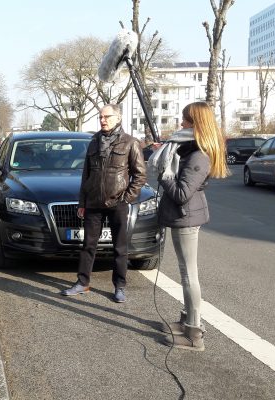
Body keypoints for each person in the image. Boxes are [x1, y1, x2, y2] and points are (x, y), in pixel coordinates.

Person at [149, 101, 229, 351]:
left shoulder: (199, 155)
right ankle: (187, 321)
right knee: (186, 272)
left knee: (188, 275)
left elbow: (182, 193)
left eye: (185, 120)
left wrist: (164, 174)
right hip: (182, 216)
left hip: (186, 216)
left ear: (196, 123)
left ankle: (194, 334)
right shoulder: (190, 150)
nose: (181, 123)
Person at [60, 104, 146, 303]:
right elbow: (86, 175)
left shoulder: (130, 143)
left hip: (118, 203)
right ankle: (82, 283)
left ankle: (120, 286)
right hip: (93, 203)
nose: (103, 120)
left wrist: (126, 198)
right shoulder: (93, 142)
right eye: (100, 117)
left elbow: (140, 175)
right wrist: (82, 201)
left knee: (119, 247)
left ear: (118, 118)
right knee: (88, 245)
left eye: (107, 117)